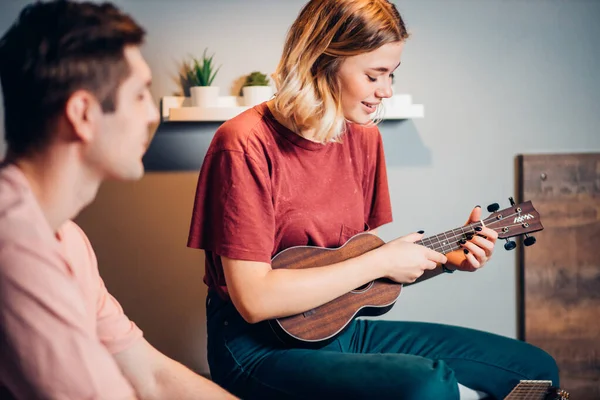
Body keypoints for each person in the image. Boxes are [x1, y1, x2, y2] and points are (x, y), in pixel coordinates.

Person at [187, 0, 559, 398]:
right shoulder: (244, 144)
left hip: (337, 330)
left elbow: (359, 277)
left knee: (536, 369)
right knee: (429, 383)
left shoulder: (364, 138)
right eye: (374, 75)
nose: (386, 91)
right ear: (323, 61)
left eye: (392, 75)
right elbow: (254, 300)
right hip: (255, 349)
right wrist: (380, 259)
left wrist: (445, 262)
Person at [0, 1, 238, 399]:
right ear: (83, 113)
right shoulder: (16, 248)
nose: (151, 114)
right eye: (140, 94)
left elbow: (149, 375)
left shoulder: (68, 238)